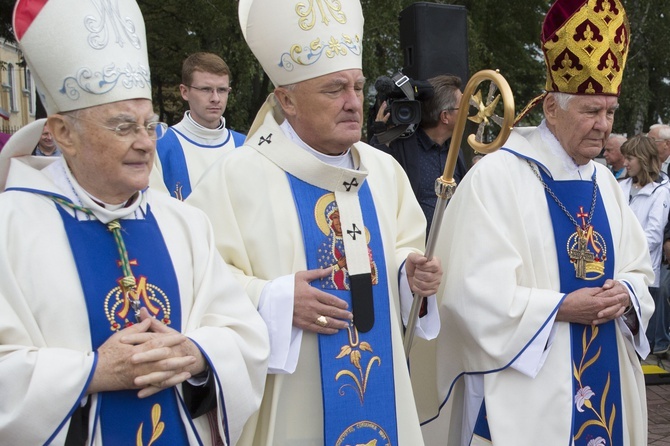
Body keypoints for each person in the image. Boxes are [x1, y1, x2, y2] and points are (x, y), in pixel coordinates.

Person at [0, 1, 269, 444]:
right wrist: (91, 372)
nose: (146, 144)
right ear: (64, 134)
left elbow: (244, 335)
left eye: (149, 125)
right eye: (124, 127)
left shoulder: (184, 224)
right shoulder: (13, 228)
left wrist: (196, 354)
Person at [187, 0, 443, 444]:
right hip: (290, 402)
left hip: (381, 389)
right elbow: (197, 280)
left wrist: (408, 274)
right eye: (334, 89)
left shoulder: (383, 173)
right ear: (287, 99)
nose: (353, 103)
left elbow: (401, 249)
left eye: (358, 87)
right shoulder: (238, 177)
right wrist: (274, 300)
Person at [421, 0, 654, 444]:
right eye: (590, 111)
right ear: (550, 107)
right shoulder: (496, 177)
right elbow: (470, 294)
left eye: (610, 112)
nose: (603, 126)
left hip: (608, 377)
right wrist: (562, 307)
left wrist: (626, 292)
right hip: (531, 391)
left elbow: (639, 268)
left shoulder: (604, 181)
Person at [369, 74, 467, 231]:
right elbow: (376, 181)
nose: (467, 113)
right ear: (445, 116)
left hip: (452, 248)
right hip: (414, 251)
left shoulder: (455, 152)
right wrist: (382, 134)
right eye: (463, 107)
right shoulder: (402, 147)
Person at [152, 52, 245, 200]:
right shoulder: (160, 146)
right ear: (184, 92)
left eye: (222, 90)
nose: (215, 98)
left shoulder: (245, 147)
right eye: (206, 89)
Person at [619, 135, 670, 355]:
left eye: (630, 158)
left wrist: (626, 252)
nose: (625, 163)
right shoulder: (620, 185)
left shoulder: (661, 190)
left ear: (643, 158)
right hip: (617, 264)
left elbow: (654, 235)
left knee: (637, 328)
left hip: (640, 267)